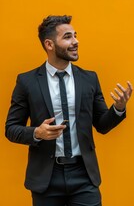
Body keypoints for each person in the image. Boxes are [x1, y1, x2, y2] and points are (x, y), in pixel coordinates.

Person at [5, 15, 132, 206]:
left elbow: (102, 125)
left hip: (84, 176)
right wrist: (37, 133)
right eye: (67, 37)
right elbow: (11, 129)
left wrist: (119, 109)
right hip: (46, 180)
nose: (76, 41)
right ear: (49, 44)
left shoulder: (89, 79)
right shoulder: (27, 82)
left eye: (75, 35)